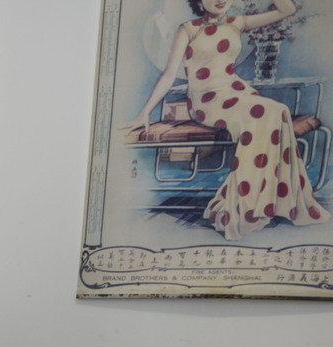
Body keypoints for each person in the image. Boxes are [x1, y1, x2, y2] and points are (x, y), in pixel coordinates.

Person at [127, 0, 322, 239]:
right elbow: (169, 74)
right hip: (206, 99)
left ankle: (274, 201)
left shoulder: (237, 23)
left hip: (235, 90)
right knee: (265, 113)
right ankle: (245, 204)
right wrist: (144, 112)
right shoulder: (188, 29)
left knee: (278, 110)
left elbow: (287, 10)